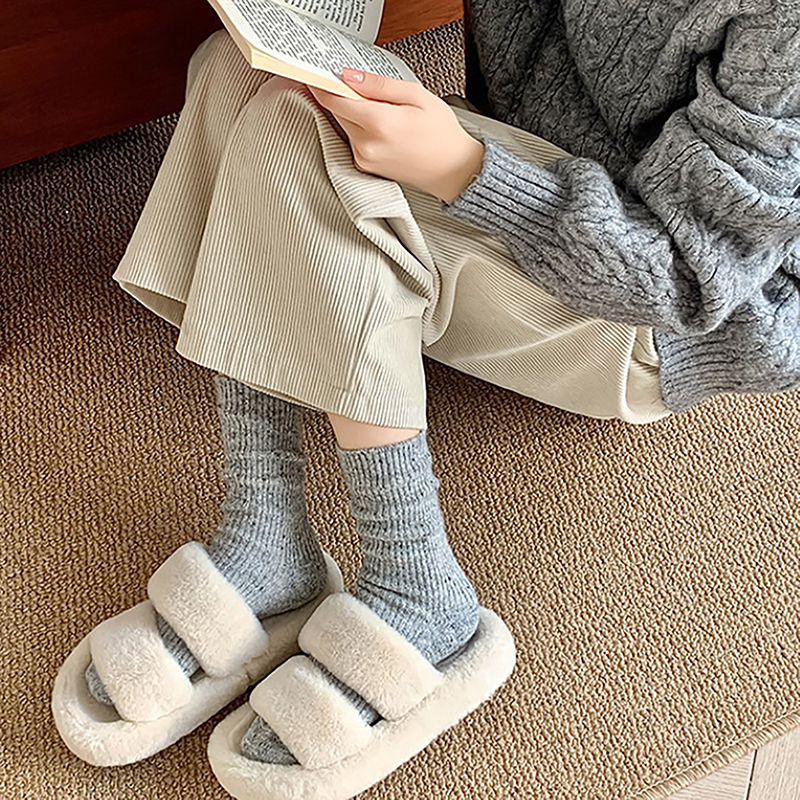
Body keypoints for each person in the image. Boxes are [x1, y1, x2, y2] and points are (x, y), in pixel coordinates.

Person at [52, 0, 799, 796]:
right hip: (537, 182)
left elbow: (689, 279)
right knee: (236, 71)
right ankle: (266, 537)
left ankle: (419, 589)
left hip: (656, 314)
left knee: (291, 133)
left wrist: (464, 170)